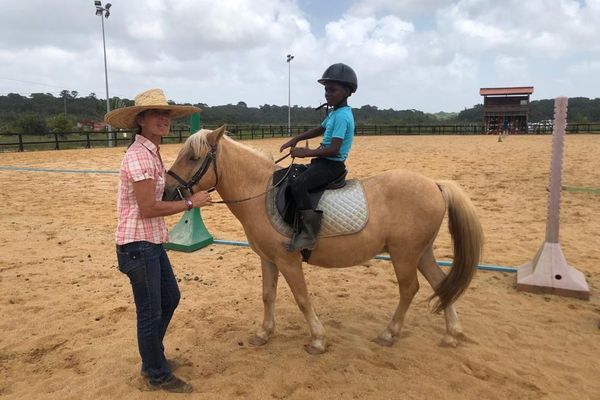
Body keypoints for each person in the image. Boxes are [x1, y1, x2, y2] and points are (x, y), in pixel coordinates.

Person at [105, 88, 212, 393]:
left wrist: (190, 192)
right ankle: (155, 373)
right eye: (156, 113)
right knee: (150, 311)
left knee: (169, 299)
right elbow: (148, 208)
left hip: (150, 242)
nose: (163, 119)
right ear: (141, 119)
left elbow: (160, 195)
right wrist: (192, 203)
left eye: (165, 113)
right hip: (138, 245)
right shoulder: (139, 157)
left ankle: (153, 358)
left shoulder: (152, 152)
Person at [279, 63, 357, 252]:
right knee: (290, 175)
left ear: (346, 91)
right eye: (326, 90)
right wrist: (296, 139)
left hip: (332, 165)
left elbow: (334, 149)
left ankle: (308, 235)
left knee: (298, 184)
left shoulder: (342, 116)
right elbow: (320, 129)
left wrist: (305, 152)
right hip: (323, 162)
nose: (327, 93)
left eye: (332, 90)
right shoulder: (335, 113)